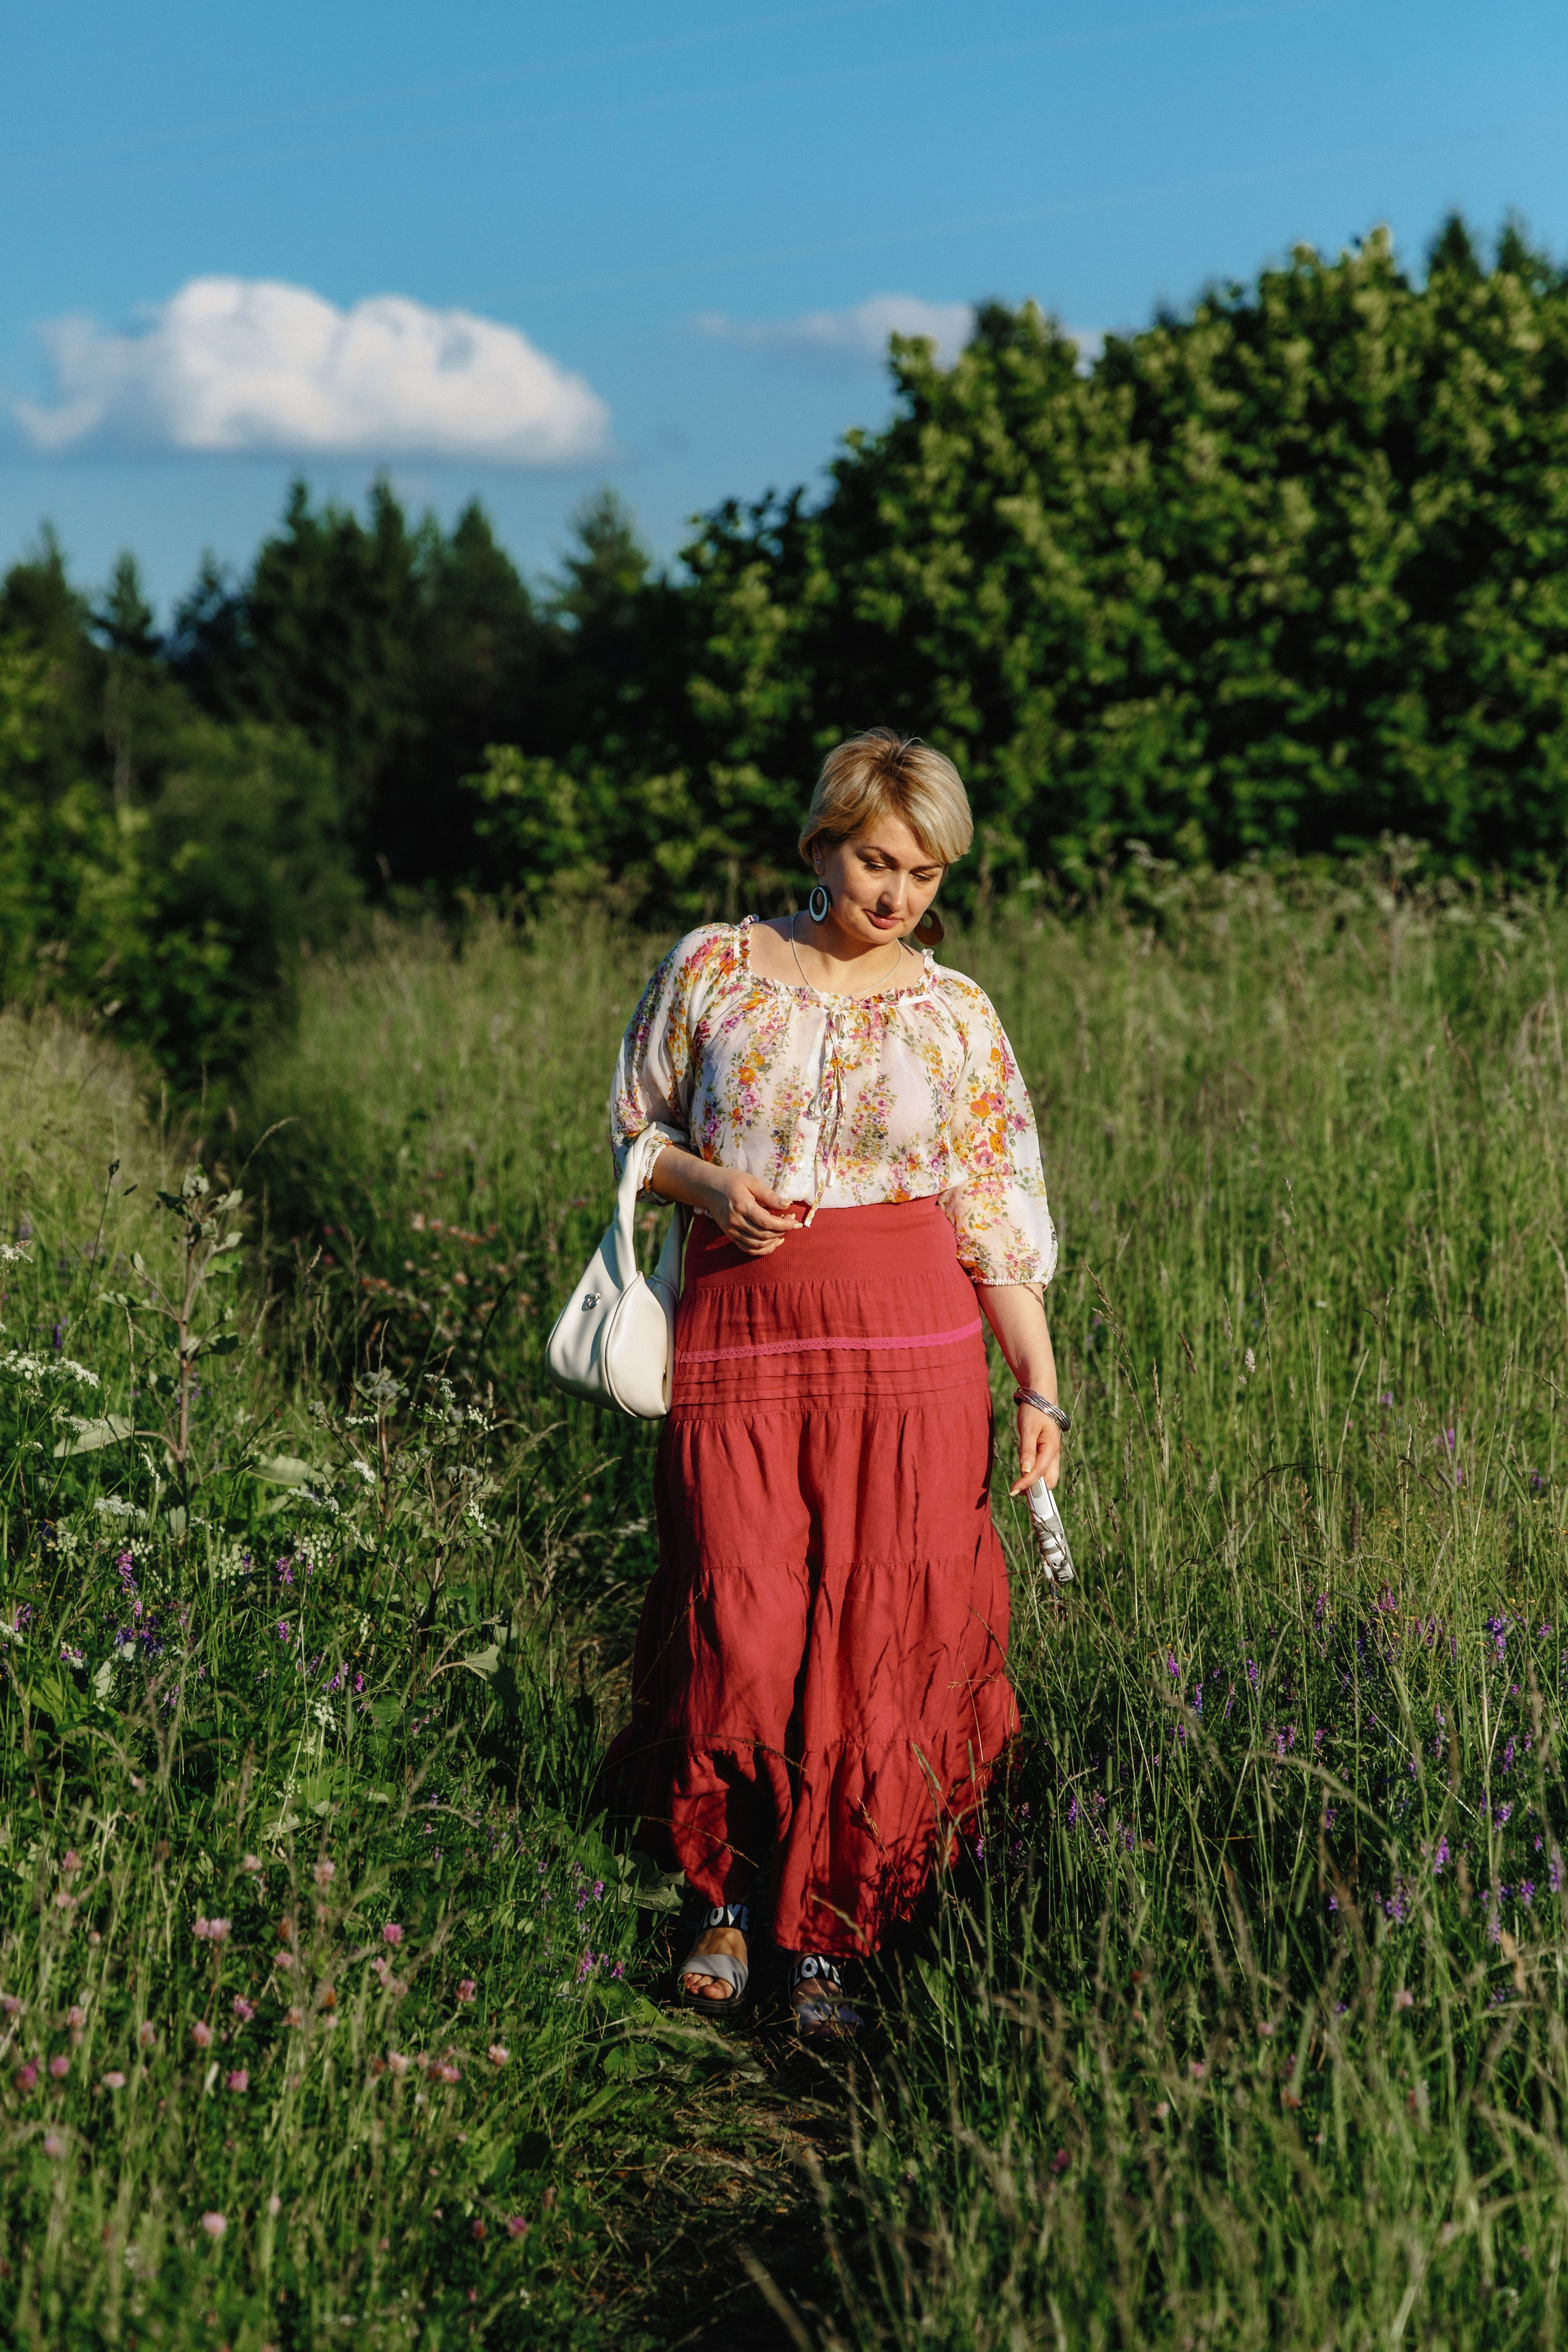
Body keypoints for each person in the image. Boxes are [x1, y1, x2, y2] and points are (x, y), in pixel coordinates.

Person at [600, 729, 1063, 2037]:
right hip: (744, 1340)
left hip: (912, 1353)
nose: (898, 895)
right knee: (740, 1619)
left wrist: (1036, 1392)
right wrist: (705, 1185)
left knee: (879, 1643)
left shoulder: (954, 1010)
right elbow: (638, 1127)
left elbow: (995, 1209)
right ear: (819, 845)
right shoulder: (712, 970)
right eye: (876, 860)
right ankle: (727, 1902)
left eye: (924, 873)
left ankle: (832, 1940)